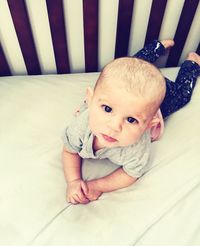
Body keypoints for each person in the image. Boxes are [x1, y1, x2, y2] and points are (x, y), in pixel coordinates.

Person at [62, 40, 200, 205]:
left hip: (155, 104)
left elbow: (130, 174)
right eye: (107, 109)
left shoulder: (136, 147)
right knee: (131, 68)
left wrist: (98, 185)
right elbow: (69, 151)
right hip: (132, 95)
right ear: (90, 100)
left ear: (149, 125)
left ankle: (193, 63)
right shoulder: (81, 127)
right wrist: (73, 181)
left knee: (181, 96)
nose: (114, 126)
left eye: (130, 120)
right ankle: (156, 48)